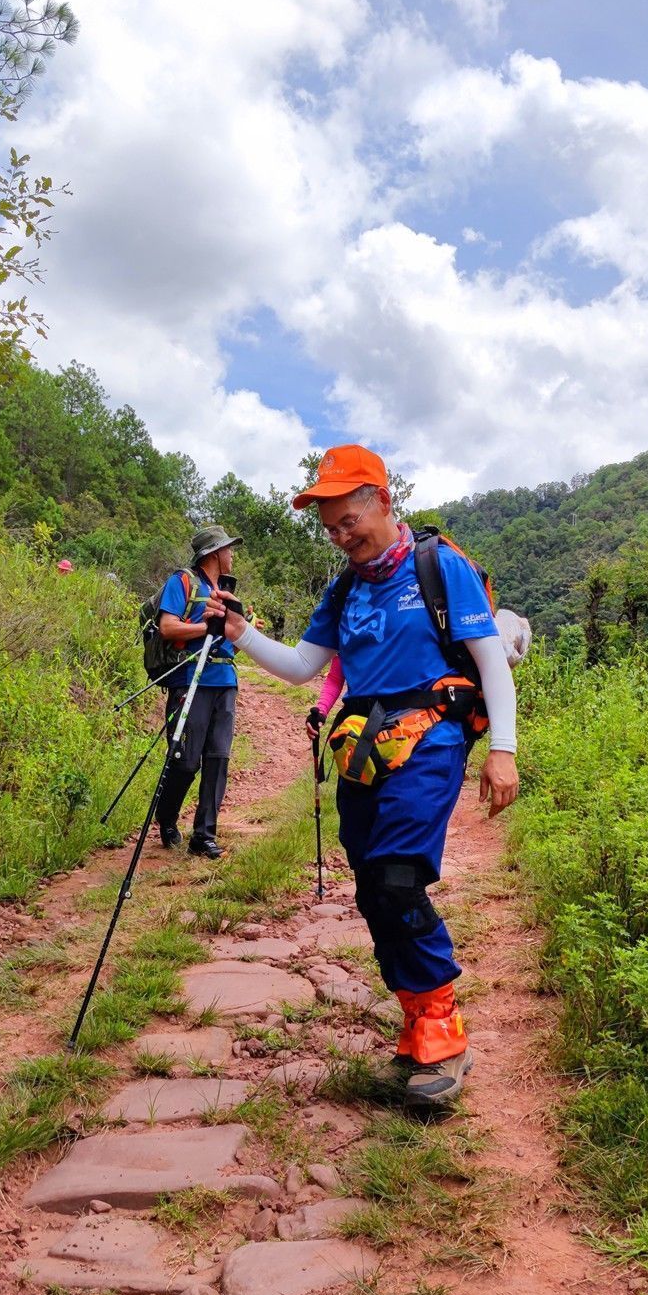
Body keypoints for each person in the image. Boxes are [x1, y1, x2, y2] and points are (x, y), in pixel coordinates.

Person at [207, 444, 518, 1108]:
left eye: (350, 519)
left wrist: (504, 752)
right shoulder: (345, 587)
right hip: (363, 745)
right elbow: (300, 667)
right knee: (374, 890)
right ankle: (415, 1020)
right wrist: (238, 632)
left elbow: (490, 660)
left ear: (382, 500)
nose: (343, 536)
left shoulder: (441, 568)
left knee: (398, 876)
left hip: (433, 736)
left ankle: (443, 1028)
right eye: (331, 529)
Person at [152, 524, 243, 859]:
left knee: (218, 760)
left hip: (225, 681)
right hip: (190, 680)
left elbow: (230, 638)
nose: (232, 555)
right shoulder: (182, 582)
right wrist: (206, 625)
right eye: (228, 549)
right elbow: (167, 627)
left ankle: (204, 835)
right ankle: (167, 818)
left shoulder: (226, 591)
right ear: (214, 553)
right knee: (186, 761)